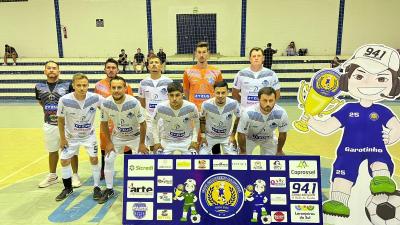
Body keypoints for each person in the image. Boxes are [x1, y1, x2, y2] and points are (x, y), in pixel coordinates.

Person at [308, 44, 400, 217]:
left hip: (376, 149)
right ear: (345, 80)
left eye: (381, 79)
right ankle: (339, 201)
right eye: (359, 76)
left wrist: (393, 135)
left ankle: (382, 177)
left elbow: (396, 126)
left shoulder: (382, 111)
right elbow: (328, 127)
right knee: (343, 172)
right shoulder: (347, 109)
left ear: (394, 86)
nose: (368, 83)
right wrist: (311, 121)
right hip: (348, 151)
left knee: (380, 162)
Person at [98, 76, 148, 204]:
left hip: (136, 137)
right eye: (113, 88)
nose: (116, 90)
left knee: (141, 161)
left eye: (119, 87)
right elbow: (103, 123)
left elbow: (143, 124)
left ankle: (139, 188)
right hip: (118, 137)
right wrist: (109, 142)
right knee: (108, 159)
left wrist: (142, 143)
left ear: (125, 88)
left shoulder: (133, 102)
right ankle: (109, 189)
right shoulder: (106, 103)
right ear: (110, 89)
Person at [55, 73, 104, 201]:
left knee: (94, 159)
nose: (82, 88)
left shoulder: (95, 98)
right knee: (64, 161)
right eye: (79, 85)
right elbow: (60, 120)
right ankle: (67, 188)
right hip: (71, 137)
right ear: (73, 85)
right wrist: (62, 138)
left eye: (85, 85)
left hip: (89, 136)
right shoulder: (64, 100)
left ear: (88, 86)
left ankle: (97, 187)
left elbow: (108, 107)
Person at [35, 61, 80, 188]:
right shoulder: (38, 87)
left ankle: (75, 175)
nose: (51, 70)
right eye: (48, 68)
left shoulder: (67, 85)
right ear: (45, 71)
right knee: (52, 150)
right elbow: (41, 102)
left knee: (72, 151)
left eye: (54, 68)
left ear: (58, 71)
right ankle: (52, 175)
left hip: (68, 124)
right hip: (49, 123)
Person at [94, 58, 133, 180]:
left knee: (127, 146)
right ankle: (104, 169)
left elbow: (130, 104)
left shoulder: (126, 86)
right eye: (108, 67)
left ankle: (130, 169)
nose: (111, 70)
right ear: (105, 69)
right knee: (105, 145)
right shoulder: (98, 85)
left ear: (118, 69)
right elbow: (98, 104)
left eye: (113, 68)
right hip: (106, 121)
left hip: (123, 121)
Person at [237, 87, 289, 155]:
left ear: (275, 100)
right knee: (242, 159)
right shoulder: (248, 113)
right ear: (259, 100)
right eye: (265, 100)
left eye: (271, 100)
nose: (268, 104)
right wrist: (243, 151)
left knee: (274, 161)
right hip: (249, 138)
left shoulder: (282, 113)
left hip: (268, 139)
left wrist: (279, 150)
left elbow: (282, 134)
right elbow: (241, 133)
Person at [152, 82, 200, 155]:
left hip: (186, 141)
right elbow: (153, 123)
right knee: (159, 163)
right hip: (167, 141)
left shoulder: (191, 107)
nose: (174, 99)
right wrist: (156, 141)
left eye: (177, 95)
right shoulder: (160, 107)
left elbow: (197, 122)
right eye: (171, 95)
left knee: (195, 164)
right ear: (168, 96)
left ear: (182, 95)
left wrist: (194, 139)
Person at [138, 55, 173, 151]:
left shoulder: (169, 82)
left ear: (161, 66)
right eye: (151, 63)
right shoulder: (143, 83)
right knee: (152, 146)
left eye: (157, 62)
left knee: (165, 146)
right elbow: (142, 102)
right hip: (150, 119)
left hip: (165, 118)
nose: (154, 65)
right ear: (148, 66)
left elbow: (173, 100)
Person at [232, 47, 281, 111]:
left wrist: (268, 105)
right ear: (250, 59)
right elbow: (234, 93)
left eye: (259, 56)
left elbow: (277, 94)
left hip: (264, 112)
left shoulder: (271, 74)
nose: (256, 58)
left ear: (263, 58)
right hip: (245, 111)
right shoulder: (241, 74)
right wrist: (244, 102)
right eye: (254, 56)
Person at [199, 81, 240, 155]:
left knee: (234, 158)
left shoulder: (234, 103)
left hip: (226, 137)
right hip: (209, 137)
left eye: (223, 93)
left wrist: (233, 135)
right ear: (213, 92)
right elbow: (201, 118)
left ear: (228, 92)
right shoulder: (206, 104)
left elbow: (238, 118)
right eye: (218, 93)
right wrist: (203, 136)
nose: (220, 96)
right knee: (202, 156)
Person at [183, 41, 223, 110]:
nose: (201, 55)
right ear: (195, 54)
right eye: (199, 52)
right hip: (194, 110)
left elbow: (220, 90)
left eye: (204, 52)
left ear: (208, 54)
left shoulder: (216, 72)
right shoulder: (188, 72)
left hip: (211, 109)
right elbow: (186, 91)